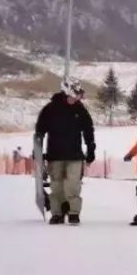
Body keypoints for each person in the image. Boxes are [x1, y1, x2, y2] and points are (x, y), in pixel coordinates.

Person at [34, 79, 96, 225]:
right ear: (67, 92)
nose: (77, 98)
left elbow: (88, 130)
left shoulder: (80, 110)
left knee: (73, 185)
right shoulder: (50, 109)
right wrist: (37, 151)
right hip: (54, 155)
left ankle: (74, 212)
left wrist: (91, 148)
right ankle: (58, 213)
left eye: (79, 96)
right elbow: (39, 131)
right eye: (75, 95)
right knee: (56, 186)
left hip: (74, 155)